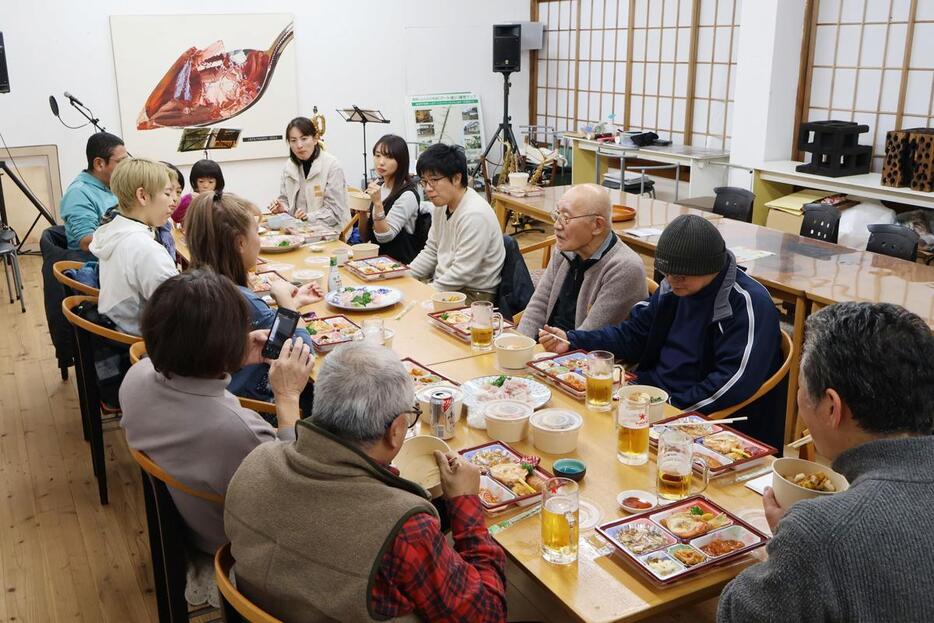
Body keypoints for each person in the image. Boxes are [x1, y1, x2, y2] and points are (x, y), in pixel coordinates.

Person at [224, 342, 507, 623]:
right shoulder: (406, 528)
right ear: (396, 430)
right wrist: (465, 504)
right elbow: (487, 616)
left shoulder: (255, 461)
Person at [718, 302, 934, 623]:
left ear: (832, 408)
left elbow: (736, 614)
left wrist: (789, 546)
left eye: (802, 390)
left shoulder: (821, 531)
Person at [120, 269, 315, 608]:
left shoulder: (135, 378)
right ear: (221, 344)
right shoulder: (237, 430)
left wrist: (233, 356)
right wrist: (286, 398)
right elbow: (295, 497)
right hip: (231, 539)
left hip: (190, 515)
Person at [540, 214, 783, 448]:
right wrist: (573, 339)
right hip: (649, 398)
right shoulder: (673, 287)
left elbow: (732, 383)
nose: (671, 281)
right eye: (667, 273)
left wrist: (671, 409)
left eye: (680, 276)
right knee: (572, 424)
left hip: (700, 419)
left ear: (710, 267)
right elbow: (633, 335)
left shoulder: (747, 304)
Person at [184, 191, 319, 413]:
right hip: (258, 410)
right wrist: (287, 305)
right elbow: (303, 356)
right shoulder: (240, 300)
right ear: (240, 243)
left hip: (217, 401)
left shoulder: (197, 285)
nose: (260, 239)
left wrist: (291, 306)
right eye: (257, 231)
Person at [517, 184, 647, 337]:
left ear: (597, 226)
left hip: (584, 355)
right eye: (557, 214)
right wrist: (519, 345)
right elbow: (539, 305)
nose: (556, 225)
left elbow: (589, 337)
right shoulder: (565, 250)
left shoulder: (625, 269)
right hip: (549, 348)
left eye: (566, 218)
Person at [89, 158, 179, 335]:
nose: (173, 201)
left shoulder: (113, 231)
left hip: (121, 330)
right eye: (167, 194)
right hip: (145, 343)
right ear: (143, 196)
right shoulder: (146, 249)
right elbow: (179, 311)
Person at [409, 143, 505, 302]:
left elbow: (463, 273)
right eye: (424, 182)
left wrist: (427, 293)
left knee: (412, 314)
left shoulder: (474, 214)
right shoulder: (442, 204)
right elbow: (431, 250)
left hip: (474, 294)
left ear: (456, 178)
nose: (428, 188)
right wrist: (406, 275)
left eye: (433, 180)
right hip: (447, 284)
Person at [355, 134, 429, 264]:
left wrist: (377, 204)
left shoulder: (407, 195)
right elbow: (366, 237)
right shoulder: (379, 187)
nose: (381, 162)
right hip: (376, 263)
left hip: (399, 265)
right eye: (378, 155)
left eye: (389, 157)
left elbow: (384, 237)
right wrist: (361, 213)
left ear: (401, 161)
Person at [268, 116, 349, 229]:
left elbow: (334, 212)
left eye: (304, 138)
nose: (299, 145)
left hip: (330, 233)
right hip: (298, 231)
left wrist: (308, 217)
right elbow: (284, 199)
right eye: (293, 140)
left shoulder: (332, 166)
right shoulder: (289, 166)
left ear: (315, 139)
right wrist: (282, 207)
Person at [60, 132, 128, 252]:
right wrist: (133, 238)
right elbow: (86, 242)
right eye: (120, 162)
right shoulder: (78, 193)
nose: (126, 167)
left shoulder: (112, 185)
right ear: (99, 164)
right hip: (93, 264)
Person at [171, 158, 225, 224]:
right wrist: (189, 201)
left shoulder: (222, 199)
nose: (205, 185)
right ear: (195, 182)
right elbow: (176, 217)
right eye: (201, 181)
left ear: (217, 183)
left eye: (211, 182)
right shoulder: (189, 198)